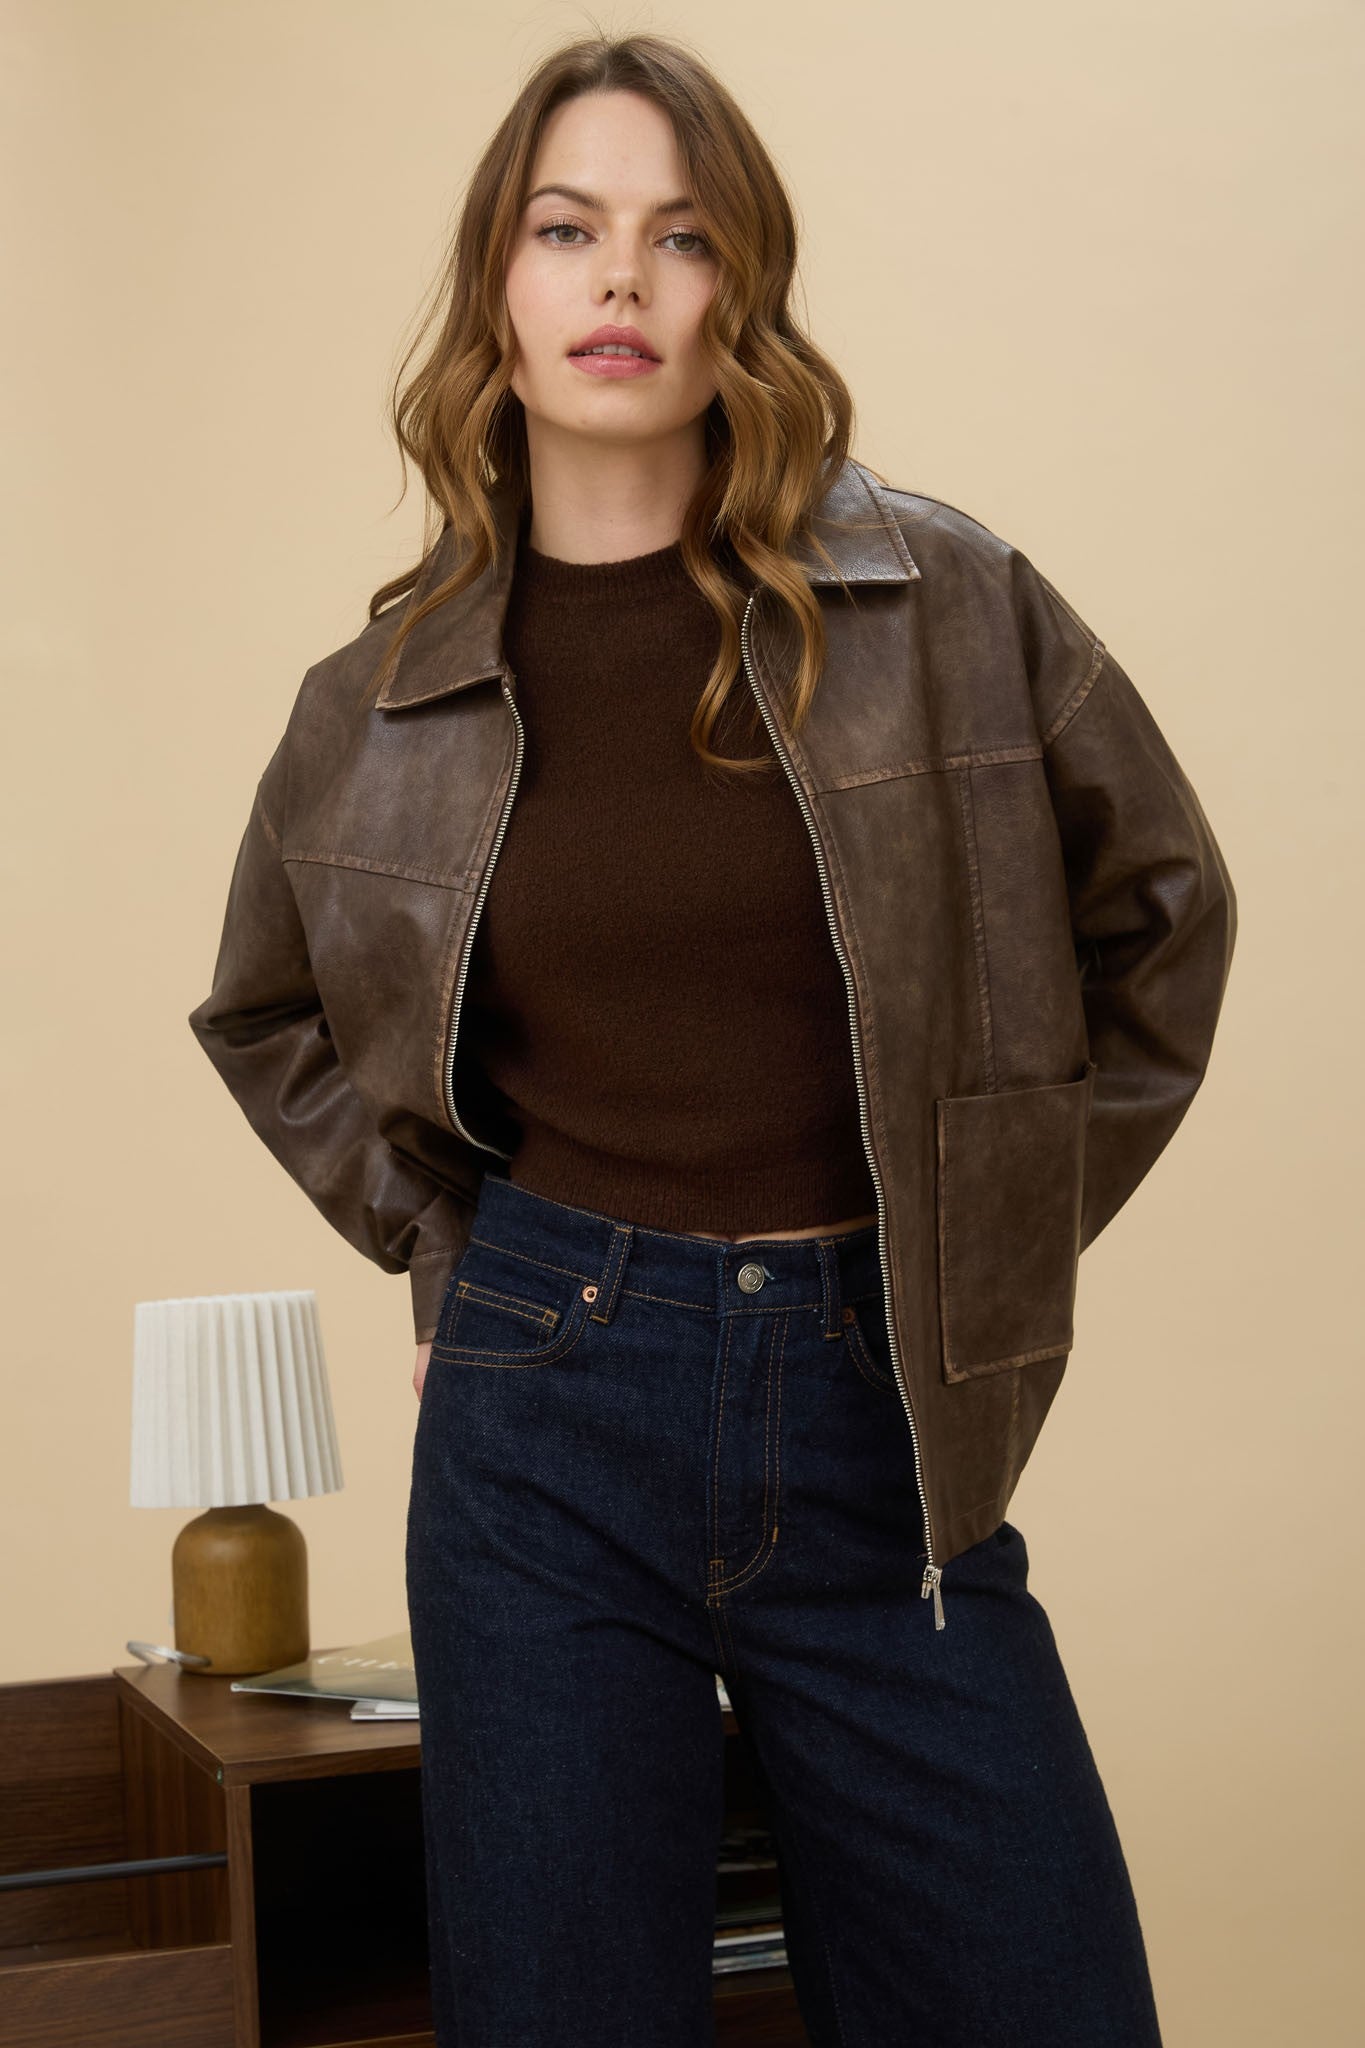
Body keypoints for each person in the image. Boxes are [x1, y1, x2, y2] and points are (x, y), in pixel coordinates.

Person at [188, 31, 1236, 2048]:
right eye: (565, 230)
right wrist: (446, 1247)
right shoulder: (376, 701)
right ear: (497, 286)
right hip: (542, 1416)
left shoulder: (940, 600)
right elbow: (263, 1004)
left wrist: (978, 1235)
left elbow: (1161, 918)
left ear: (737, 288)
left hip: (872, 1412)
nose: (619, 279)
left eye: (678, 237)